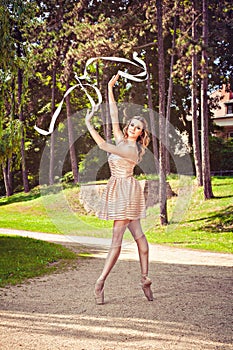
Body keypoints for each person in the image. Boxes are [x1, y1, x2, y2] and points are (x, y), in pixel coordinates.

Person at [85, 73, 153, 304]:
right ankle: (144, 278)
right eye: (132, 125)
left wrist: (87, 125)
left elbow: (103, 145)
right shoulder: (121, 140)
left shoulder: (131, 150)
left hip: (125, 191)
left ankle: (100, 281)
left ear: (141, 134)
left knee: (117, 240)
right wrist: (109, 88)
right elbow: (113, 113)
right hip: (124, 189)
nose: (133, 129)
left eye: (137, 129)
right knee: (140, 238)